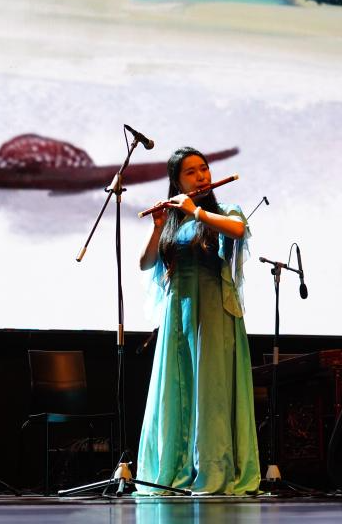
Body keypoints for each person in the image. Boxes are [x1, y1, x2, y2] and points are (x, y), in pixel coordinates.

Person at [136, 146, 261, 495]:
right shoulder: (175, 219)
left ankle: (213, 470)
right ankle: (172, 468)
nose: (201, 176)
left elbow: (237, 231)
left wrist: (198, 212)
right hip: (179, 313)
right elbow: (146, 264)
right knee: (175, 389)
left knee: (210, 391)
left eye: (203, 169)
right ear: (176, 180)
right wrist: (158, 227)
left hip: (211, 313)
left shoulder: (224, 211)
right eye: (191, 172)